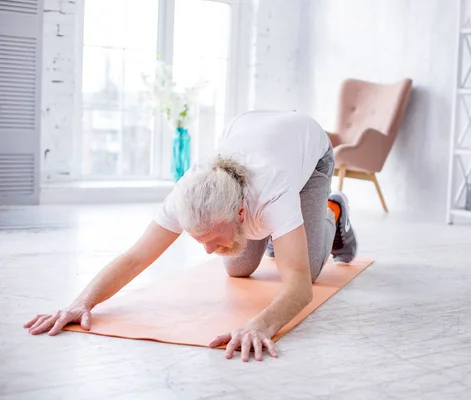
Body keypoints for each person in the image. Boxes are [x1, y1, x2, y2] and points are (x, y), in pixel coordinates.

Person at [24, 110, 358, 362]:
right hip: (251, 131)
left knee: (312, 270)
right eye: (201, 240)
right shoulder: (187, 195)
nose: (209, 251)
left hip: (309, 152)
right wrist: (81, 302)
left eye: (213, 238)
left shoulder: (274, 190)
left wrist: (259, 324)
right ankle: (282, 233)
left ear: (241, 212)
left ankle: (332, 211)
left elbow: (298, 287)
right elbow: (135, 257)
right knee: (237, 267)